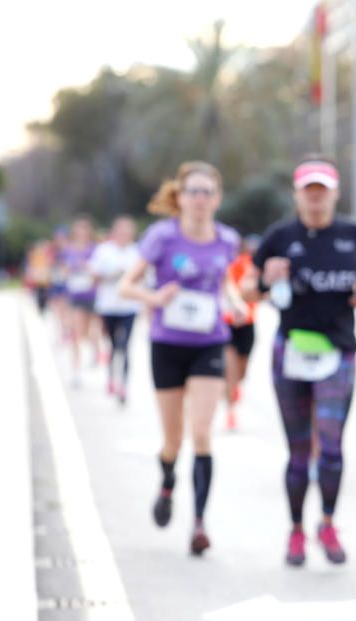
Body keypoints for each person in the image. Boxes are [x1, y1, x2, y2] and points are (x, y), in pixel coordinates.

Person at [248, 156, 356, 567]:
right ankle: (294, 530)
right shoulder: (279, 236)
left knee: (331, 448)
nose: (316, 198)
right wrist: (264, 280)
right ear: (297, 195)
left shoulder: (352, 234)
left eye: (322, 190)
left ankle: (326, 523)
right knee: (298, 450)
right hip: (290, 352)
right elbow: (248, 291)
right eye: (309, 190)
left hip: (338, 352)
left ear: (334, 194)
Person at [118, 161, 242, 556]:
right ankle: (168, 480)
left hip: (208, 343)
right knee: (173, 439)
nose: (200, 199)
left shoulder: (227, 239)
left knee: (202, 432)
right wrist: (154, 298)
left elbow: (224, 283)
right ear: (181, 196)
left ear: (217, 198)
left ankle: (199, 524)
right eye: (193, 191)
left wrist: (236, 303)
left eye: (208, 192)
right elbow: (126, 286)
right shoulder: (161, 237)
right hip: (167, 345)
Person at [89, 215, 142, 405]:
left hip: (129, 306)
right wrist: (109, 274)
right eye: (121, 231)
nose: (124, 234)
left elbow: (144, 277)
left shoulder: (137, 252)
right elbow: (93, 275)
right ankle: (111, 377)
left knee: (125, 346)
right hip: (108, 305)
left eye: (128, 231)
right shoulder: (104, 251)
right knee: (112, 345)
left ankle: (124, 386)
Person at [222, 234, 261, 430]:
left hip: (248, 322)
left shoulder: (251, 264)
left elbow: (258, 289)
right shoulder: (221, 263)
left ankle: (232, 388)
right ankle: (230, 412)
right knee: (230, 369)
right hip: (226, 324)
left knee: (242, 371)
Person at [62, 215, 103, 384]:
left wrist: (87, 268)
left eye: (85, 229)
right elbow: (64, 270)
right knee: (76, 332)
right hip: (75, 294)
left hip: (92, 294)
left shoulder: (95, 249)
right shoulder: (69, 249)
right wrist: (70, 270)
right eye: (79, 229)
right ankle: (76, 370)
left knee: (90, 331)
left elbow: (99, 271)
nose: (82, 232)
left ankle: (95, 349)